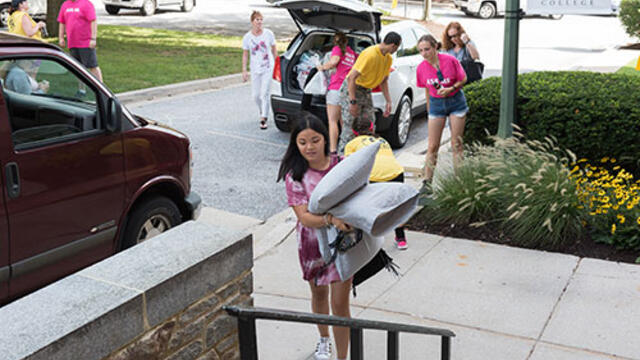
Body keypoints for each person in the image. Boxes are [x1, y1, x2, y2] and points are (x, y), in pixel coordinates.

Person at [277, 112, 353, 360]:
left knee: (340, 304)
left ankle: (343, 357)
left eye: (315, 140)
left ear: (325, 138)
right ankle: (323, 339)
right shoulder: (295, 175)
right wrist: (331, 220)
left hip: (343, 244)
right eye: (302, 142)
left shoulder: (341, 165)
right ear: (295, 144)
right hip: (312, 245)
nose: (309, 147)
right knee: (319, 294)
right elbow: (304, 217)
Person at [344, 116, 408, 250]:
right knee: (396, 206)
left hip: (374, 177)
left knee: (367, 207)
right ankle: (401, 239)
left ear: (354, 132)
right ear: (372, 128)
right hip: (396, 173)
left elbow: (349, 168)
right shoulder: (383, 140)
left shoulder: (352, 144)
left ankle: (367, 239)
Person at [415, 34, 468, 197]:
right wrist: (430, 109)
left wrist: (451, 88)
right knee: (432, 146)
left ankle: (460, 182)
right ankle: (427, 182)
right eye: (421, 51)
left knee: (456, 145)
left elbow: (463, 78)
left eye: (427, 49)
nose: (424, 53)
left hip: (456, 102)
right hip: (437, 105)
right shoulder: (421, 68)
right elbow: (426, 89)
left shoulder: (450, 60)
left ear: (435, 47)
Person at [338, 32, 401, 154]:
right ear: (393, 46)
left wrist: (388, 100)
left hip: (366, 90)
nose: (395, 50)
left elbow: (383, 81)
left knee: (369, 123)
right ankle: (343, 155)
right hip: (352, 88)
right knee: (351, 124)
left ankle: (366, 154)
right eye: (397, 48)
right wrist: (352, 101)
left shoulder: (388, 59)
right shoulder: (369, 54)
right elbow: (351, 78)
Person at [316, 32, 357, 153]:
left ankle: (333, 150)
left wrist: (322, 67)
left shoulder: (337, 49)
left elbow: (334, 61)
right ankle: (346, 148)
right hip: (347, 90)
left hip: (335, 89)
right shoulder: (352, 54)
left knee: (332, 121)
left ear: (335, 41)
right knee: (343, 121)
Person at [242, 10, 277, 130]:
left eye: (261, 19)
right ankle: (263, 110)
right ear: (252, 22)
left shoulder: (268, 34)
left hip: (268, 67)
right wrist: (244, 70)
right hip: (255, 68)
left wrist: (276, 63)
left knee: (264, 93)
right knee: (256, 96)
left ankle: (263, 118)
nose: (260, 22)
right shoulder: (247, 37)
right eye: (257, 19)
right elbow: (245, 54)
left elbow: (274, 49)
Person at [57, 0, 103, 83]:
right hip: (72, 43)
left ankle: (102, 88)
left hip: (85, 43)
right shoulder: (65, 4)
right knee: (78, 69)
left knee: (92, 66)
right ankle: (82, 90)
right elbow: (62, 22)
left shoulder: (86, 4)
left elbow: (93, 21)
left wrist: (93, 38)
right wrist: (61, 38)